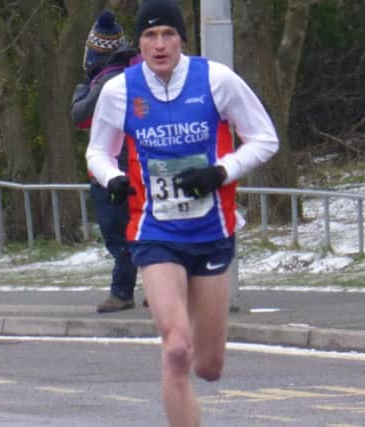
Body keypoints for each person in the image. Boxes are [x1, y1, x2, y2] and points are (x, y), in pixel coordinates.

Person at [86, 1, 279, 425]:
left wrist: (220, 172)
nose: (159, 45)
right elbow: (97, 152)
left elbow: (265, 139)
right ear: (138, 44)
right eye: (150, 37)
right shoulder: (121, 90)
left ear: (181, 39)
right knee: (175, 349)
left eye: (168, 35)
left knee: (208, 366)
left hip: (211, 231)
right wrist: (112, 177)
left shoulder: (216, 80)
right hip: (154, 232)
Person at [71, 10, 141, 313]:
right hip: (133, 163)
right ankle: (155, 286)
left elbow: (81, 116)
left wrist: (82, 91)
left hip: (114, 168)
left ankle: (122, 290)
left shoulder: (108, 82)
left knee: (119, 234)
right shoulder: (136, 75)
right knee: (143, 227)